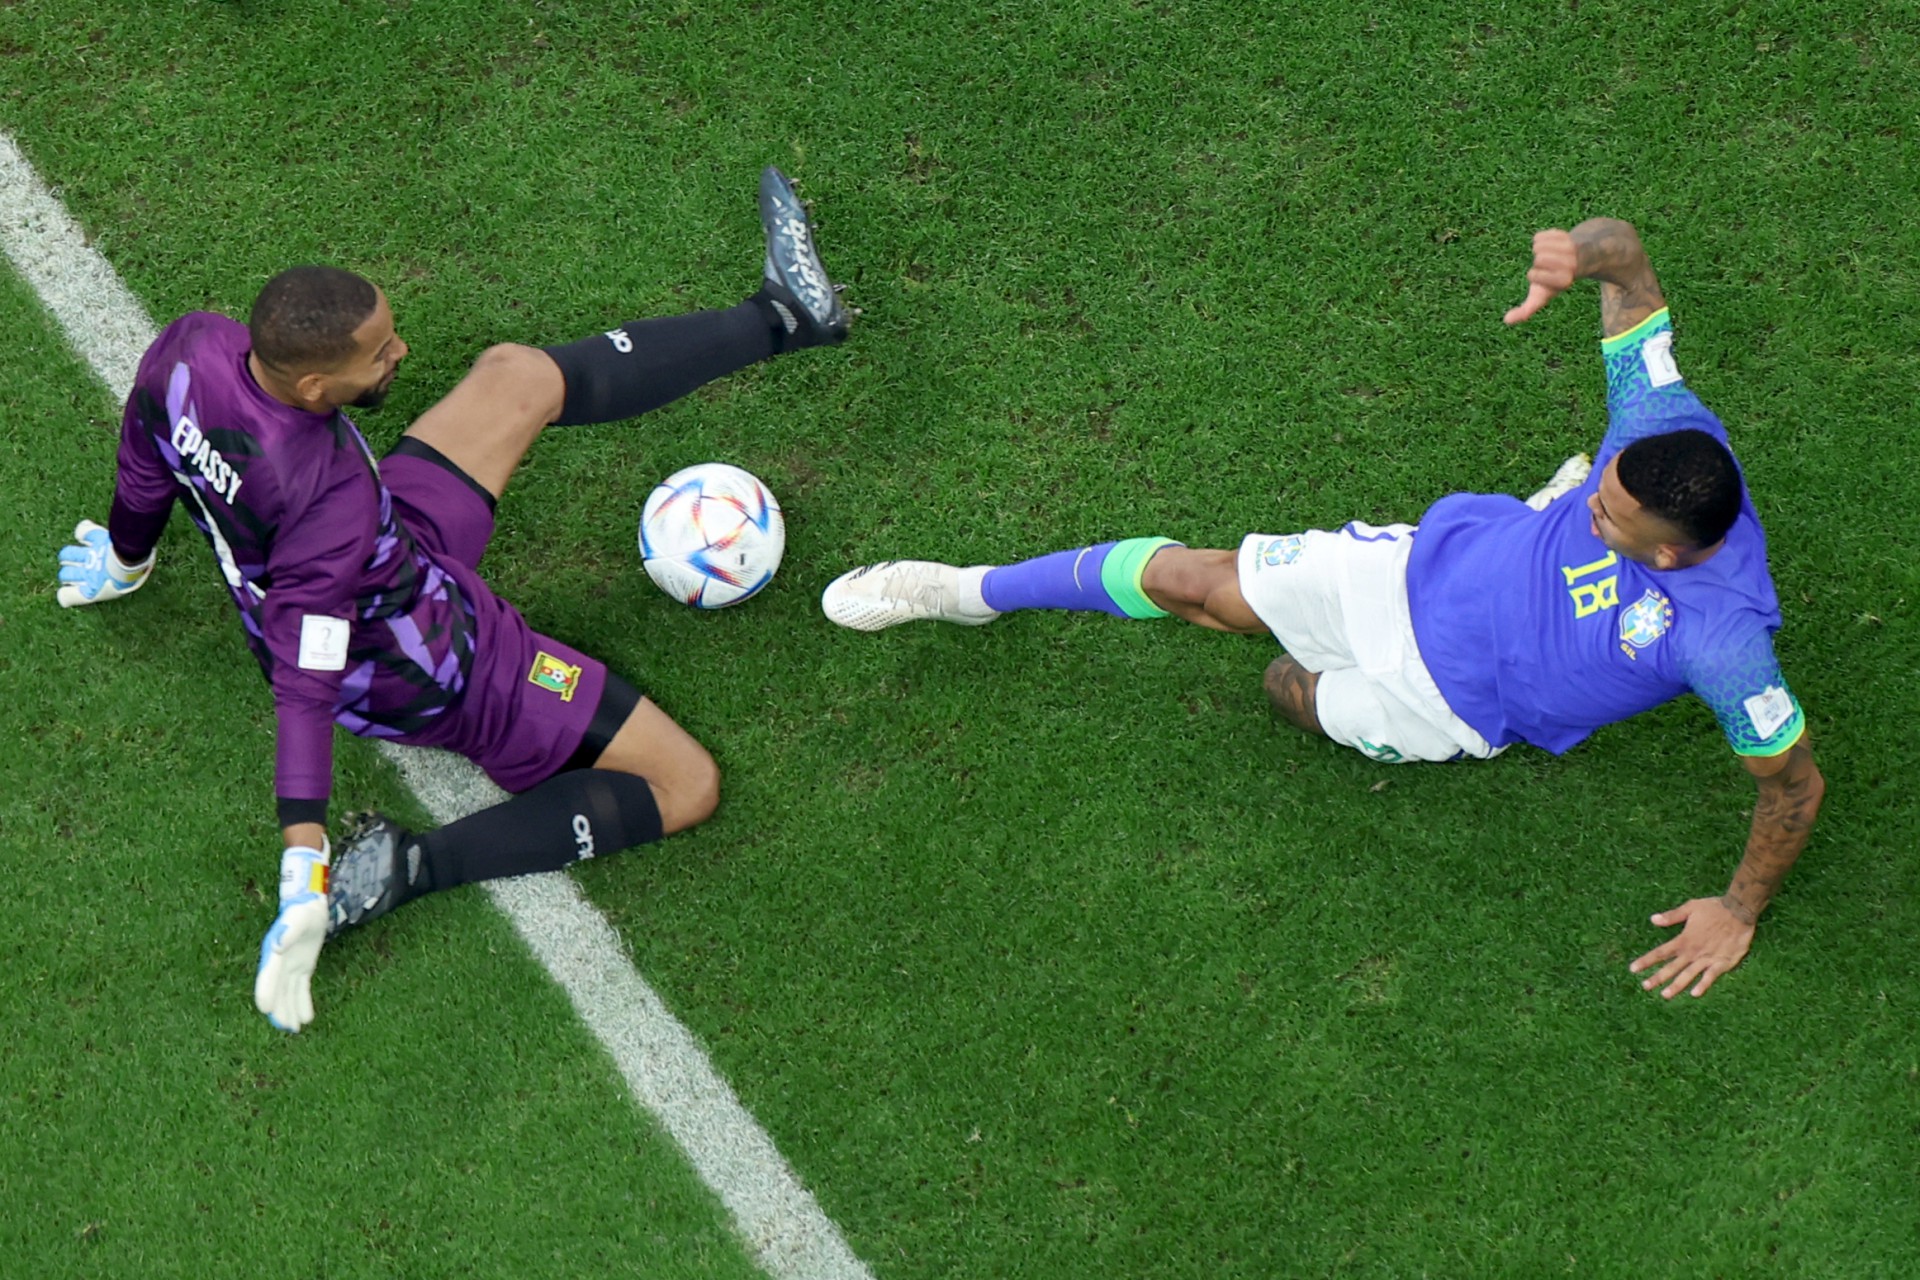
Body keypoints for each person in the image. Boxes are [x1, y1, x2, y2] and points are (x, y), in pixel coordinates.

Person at [820, 217, 1823, 1001]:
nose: (1599, 504)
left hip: (1450, 708)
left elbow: (1793, 787)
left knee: (1287, 691)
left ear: (1669, 552)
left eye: (1604, 515)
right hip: (1418, 572)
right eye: (1595, 492)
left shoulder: (1726, 642)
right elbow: (1630, 263)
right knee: (1196, 587)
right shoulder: (1656, 426)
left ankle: (1458, 591)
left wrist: (1738, 908)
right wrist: (1578, 254)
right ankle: (965, 591)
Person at [56, 167, 850, 1033]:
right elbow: (307, 685)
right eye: (379, 355)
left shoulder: (191, 351)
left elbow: (145, 458)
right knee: (685, 783)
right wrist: (300, 861)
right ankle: (409, 866)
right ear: (316, 387)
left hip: (395, 543)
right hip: (427, 658)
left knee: (515, 375)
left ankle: (786, 316)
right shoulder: (327, 499)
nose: (400, 353)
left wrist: (127, 558)